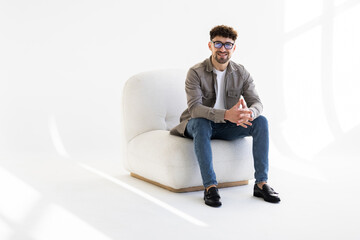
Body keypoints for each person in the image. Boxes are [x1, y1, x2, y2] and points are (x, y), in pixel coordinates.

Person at [170, 25, 280, 207]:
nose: (223, 49)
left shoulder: (242, 73)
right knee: (201, 122)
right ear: (210, 45)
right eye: (218, 43)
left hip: (226, 126)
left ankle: (261, 183)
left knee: (261, 121)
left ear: (234, 48)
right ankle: (210, 186)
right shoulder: (195, 72)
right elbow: (195, 109)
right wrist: (227, 114)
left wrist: (249, 113)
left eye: (228, 45)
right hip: (197, 125)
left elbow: (257, 103)